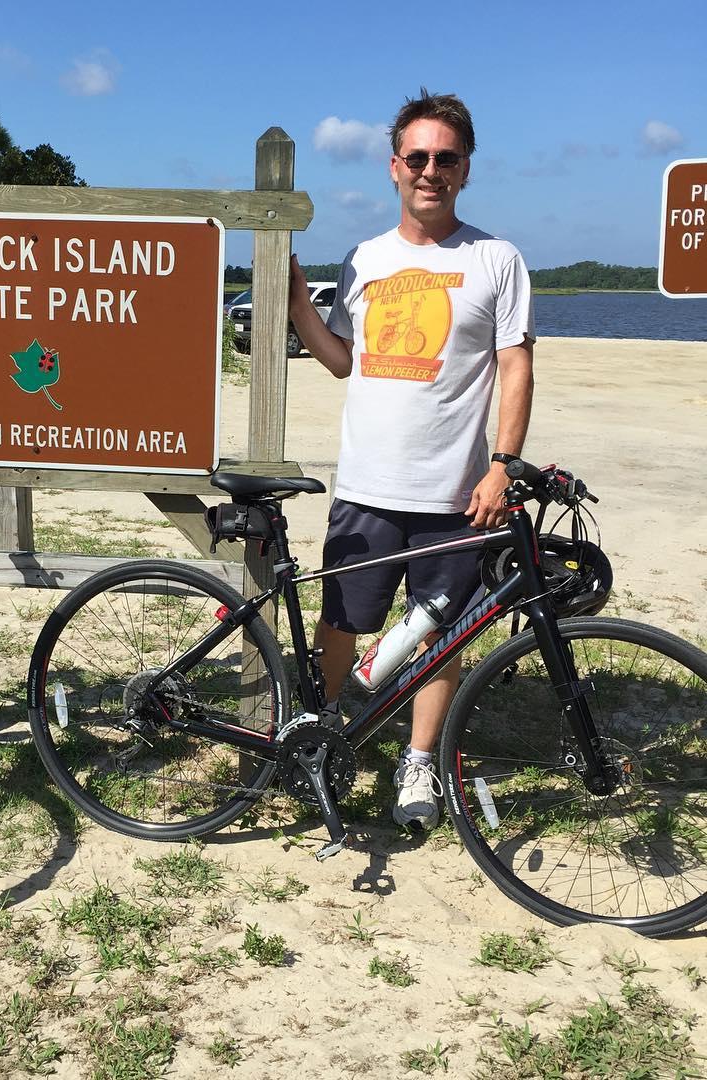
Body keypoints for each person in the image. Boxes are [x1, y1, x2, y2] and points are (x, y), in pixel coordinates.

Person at [288, 89, 535, 831]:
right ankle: (322, 738)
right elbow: (341, 361)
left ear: (465, 170)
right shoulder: (364, 258)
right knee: (342, 623)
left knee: (438, 635)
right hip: (366, 485)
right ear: (394, 167)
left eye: (446, 158)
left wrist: (503, 466)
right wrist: (301, 305)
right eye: (418, 157)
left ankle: (419, 762)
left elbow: (516, 367)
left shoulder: (497, 259)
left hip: (456, 495)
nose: (431, 170)